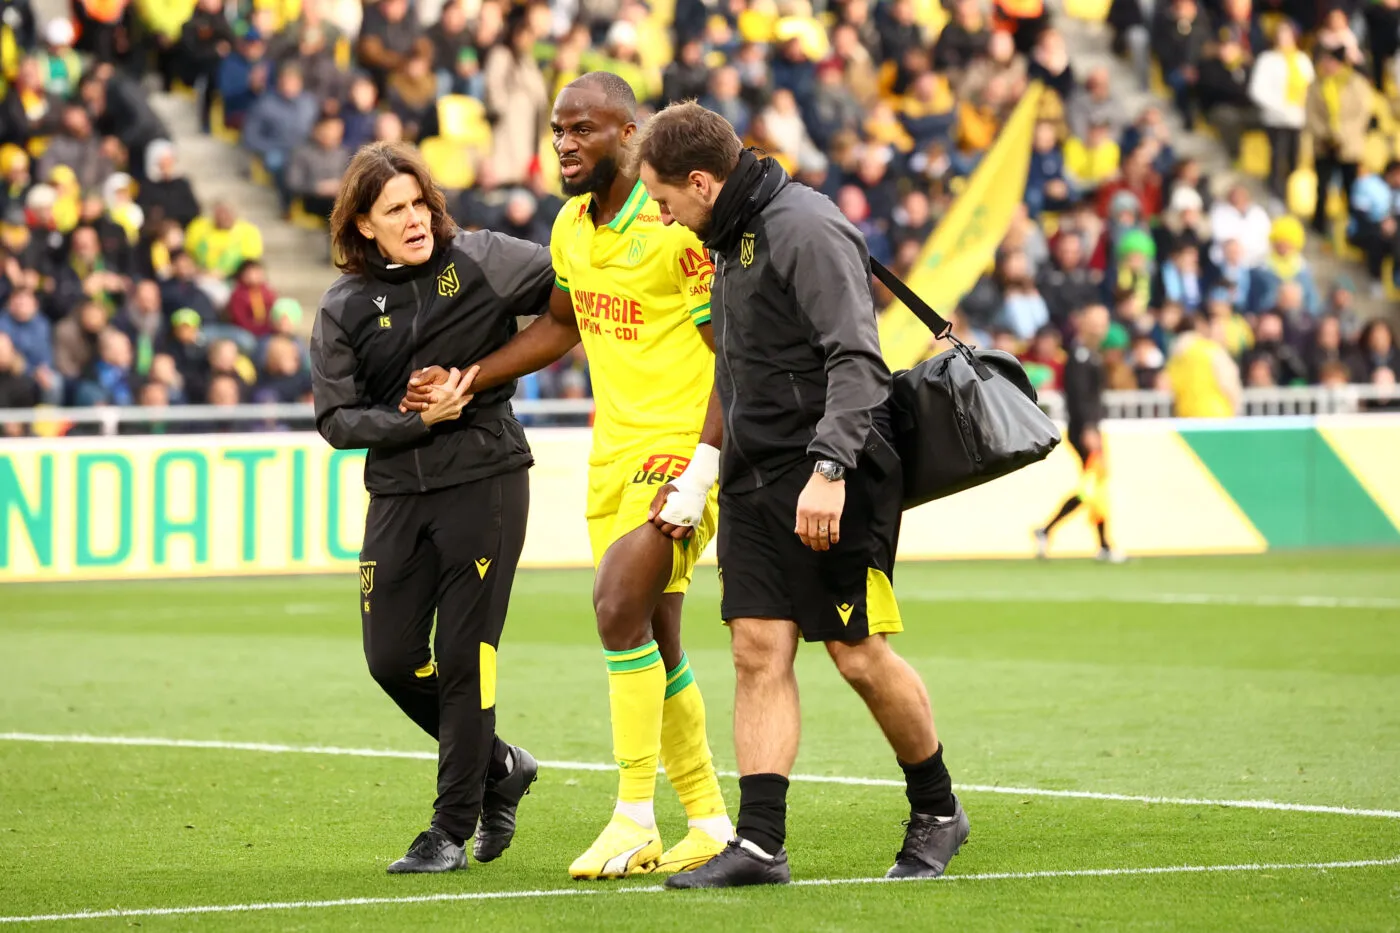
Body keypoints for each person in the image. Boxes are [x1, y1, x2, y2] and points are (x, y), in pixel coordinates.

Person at [402, 72, 733, 880]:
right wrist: (468, 377)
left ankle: (630, 815)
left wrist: (703, 466)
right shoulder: (571, 227)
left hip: (676, 451)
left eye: (581, 129)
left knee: (616, 608)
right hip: (610, 454)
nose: (564, 144)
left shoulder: (673, 231)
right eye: (557, 130)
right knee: (656, 636)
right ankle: (711, 819)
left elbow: (732, 355)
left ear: (630, 134)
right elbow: (559, 325)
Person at [632, 101, 969, 889]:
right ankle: (759, 844)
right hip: (754, 474)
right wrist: (705, 467)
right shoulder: (729, 233)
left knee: (856, 654)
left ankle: (938, 808)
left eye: (664, 196)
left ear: (703, 182)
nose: (660, 212)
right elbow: (738, 367)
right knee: (756, 648)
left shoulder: (803, 228)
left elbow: (857, 359)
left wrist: (829, 470)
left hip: (830, 471)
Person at [310, 141, 550, 875]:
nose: (414, 219)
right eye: (395, 210)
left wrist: (474, 382)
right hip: (396, 496)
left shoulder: (482, 257)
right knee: (389, 658)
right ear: (363, 227)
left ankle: (449, 828)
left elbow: (576, 287)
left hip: (486, 480)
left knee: (463, 660)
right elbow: (336, 419)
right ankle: (501, 763)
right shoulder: (343, 305)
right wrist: (418, 421)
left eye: (419, 203)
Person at [1033, 304, 1124, 563]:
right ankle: (1099, 544)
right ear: (1083, 323)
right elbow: (1079, 399)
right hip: (1085, 430)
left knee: (1093, 488)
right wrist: (1088, 429)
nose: (1101, 327)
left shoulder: (1091, 355)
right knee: (1093, 487)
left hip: (1090, 428)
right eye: (1096, 321)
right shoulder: (1079, 356)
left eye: (1104, 321)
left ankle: (1050, 531)